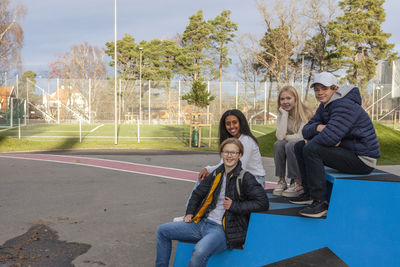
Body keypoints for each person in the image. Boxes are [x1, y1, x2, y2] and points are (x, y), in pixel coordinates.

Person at [156, 138, 269, 266]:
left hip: (222, 230)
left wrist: (234, 206)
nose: (229, 155)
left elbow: (262, 202)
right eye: (226, 152)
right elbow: (198, 193)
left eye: (233, 152)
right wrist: (190, 212)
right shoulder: (217, 173)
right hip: (202, 223)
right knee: (162, 231)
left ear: (240, 155)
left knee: (199, 251)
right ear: (221, 154)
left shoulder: (245, 177)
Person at [290, 72, 380, 218]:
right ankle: (308, 193)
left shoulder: (345, 105)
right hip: (347, 151)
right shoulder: (325, 105)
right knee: (300, 146)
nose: (319, 93)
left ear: (335, 88)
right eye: (317, 89)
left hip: (362, 159)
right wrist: (318, 128)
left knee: (311, 148)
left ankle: (321, 203)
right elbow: (305, 130)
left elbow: (329, 138)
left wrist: (315, 137)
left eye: (324, 89)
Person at [198, 109, 266, 187]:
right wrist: (208, 169)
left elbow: (239, 168)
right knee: (203, 180)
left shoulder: (247, 141)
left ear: (241, 123)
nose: (231, 126)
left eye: (234, 122)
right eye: (228, 123)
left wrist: (213, 175)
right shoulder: (230, 142)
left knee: (211, 183)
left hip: (254, 180)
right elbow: (223, 165)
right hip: (239, 178)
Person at [272, 85, 313, 197]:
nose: (285, 102)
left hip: (308, 145)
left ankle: (298, 183)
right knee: (278, 144)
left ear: (295, 99)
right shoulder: (282, 112)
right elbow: (280, 137)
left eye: (288, 98)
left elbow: (301, 136)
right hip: (294, 142)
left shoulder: (305, 112)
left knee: (290, 145)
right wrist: (284, 115)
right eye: (282, 99)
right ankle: (281, 181)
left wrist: (286, 138)